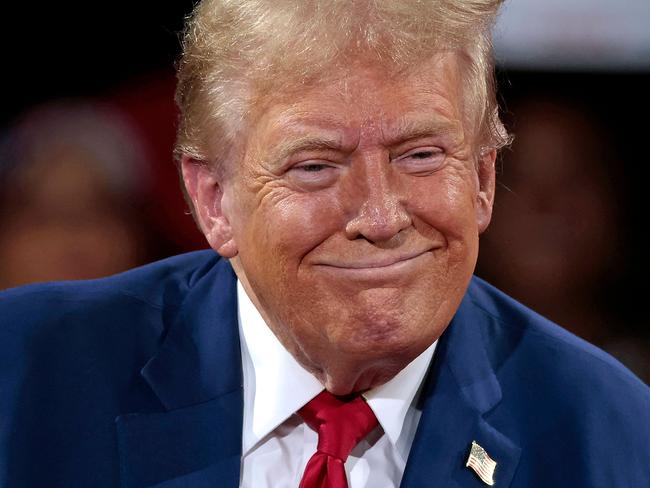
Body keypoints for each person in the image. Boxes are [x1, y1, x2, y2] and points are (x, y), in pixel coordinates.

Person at [0, 1, 648, 487]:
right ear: (213, 198)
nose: (381, 215)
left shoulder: (610, 435)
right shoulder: (25, 376)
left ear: (482, 177)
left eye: (421, 155)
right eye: (314, 166)